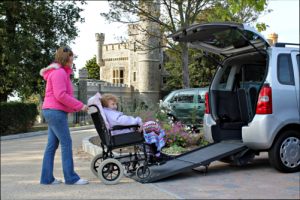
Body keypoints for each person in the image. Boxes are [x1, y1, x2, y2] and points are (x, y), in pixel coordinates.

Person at [39, 46, 89, 185]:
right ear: (64, 58)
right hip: (55, 112)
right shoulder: (59, 72)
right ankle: (71, 178)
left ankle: (46, 178)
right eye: (70, 56)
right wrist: (80, 105)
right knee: (66, 143)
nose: (72, 59)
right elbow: (60, 95)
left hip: (50, 111)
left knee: (52, 145)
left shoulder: (57, 72)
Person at [100, 94, 166, 163]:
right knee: (152, 125)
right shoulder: (110, 113)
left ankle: (154, 154)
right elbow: (123, 120)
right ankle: (156, 154)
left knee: (150, 126)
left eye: (115, 104)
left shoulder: (107, 112)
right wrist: (138, 121)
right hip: (124, 134)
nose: (115, 106)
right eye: (112, 104)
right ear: (105, 104)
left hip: (121, 133)